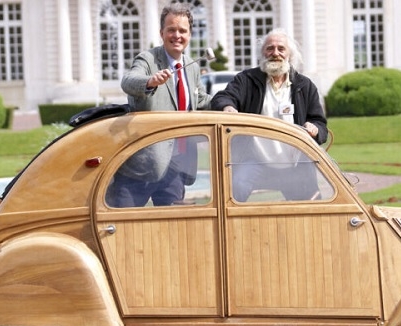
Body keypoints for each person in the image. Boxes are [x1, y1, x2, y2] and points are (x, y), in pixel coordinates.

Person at [109, 2, 210, 207]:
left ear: (190, 35)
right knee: (122, 228)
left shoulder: (191, 67)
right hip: (142, 167)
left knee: (172, 230)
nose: (177, 35)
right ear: (161, 33)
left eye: (182, 30)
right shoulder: (147, 59)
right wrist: (149, 82)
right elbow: (128, 81)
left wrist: (231, 101)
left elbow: (200, 102)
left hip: (177, 167)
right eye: (171, 29)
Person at [211, 28, 328, 201]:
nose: (275, 53)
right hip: (255, 162)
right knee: (235, 189)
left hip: (295, 166)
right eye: (270, 48)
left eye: (281, 49)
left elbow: (320, 124)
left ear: (290, 55)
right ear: (262, 53)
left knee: (310, 210)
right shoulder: (246, 80)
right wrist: (228, 107)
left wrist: (315, 128)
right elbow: (221, 98)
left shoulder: (305, 85)